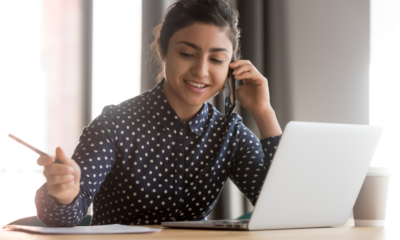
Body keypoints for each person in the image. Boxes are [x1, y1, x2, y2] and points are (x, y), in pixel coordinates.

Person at [35, 0, 282, 227]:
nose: (201, 70)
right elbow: (64, 217)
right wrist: (65, 196)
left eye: (216, 59)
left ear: (231, 67)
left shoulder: (230, 133)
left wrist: (264, 111)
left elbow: (281, 207)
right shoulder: (114, 124)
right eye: (187, 54)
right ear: (163, 50)